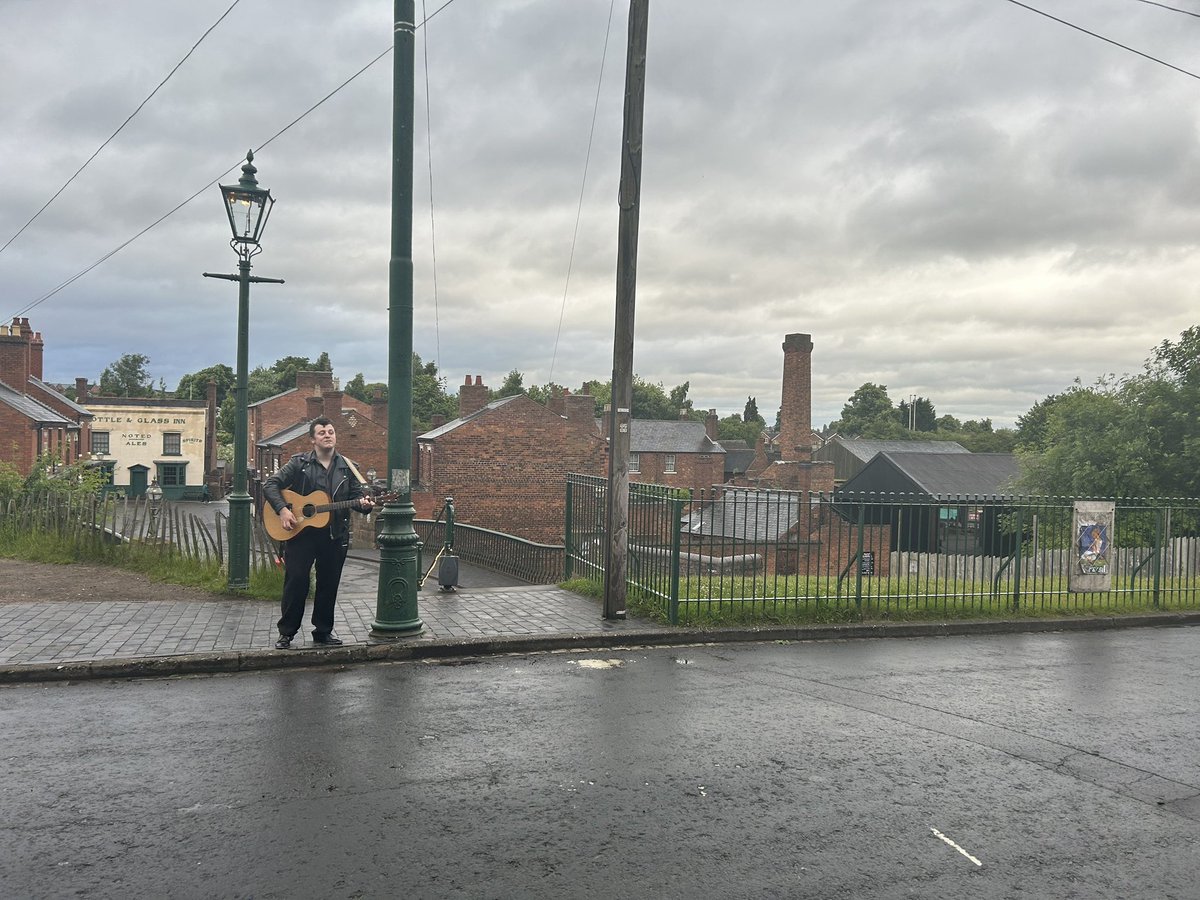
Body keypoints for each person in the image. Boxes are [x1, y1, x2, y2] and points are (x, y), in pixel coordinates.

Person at [262, 416, 373, 649]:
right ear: (313, 439)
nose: (327, 435)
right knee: (296, 582)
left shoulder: (348, 467)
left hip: (334, 535)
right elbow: (270, 484)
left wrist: (364, 504)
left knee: (328, 584)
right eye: (322, 432)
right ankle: (287, 633)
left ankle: (323, 632)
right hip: (300, 533)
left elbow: (355, 500)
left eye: (331, 431)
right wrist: (282, 510)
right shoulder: (299, 463)